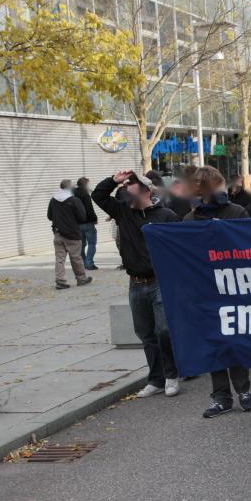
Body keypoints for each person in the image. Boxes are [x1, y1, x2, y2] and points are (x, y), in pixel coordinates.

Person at [92, 171, 181, 399]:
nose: (124, 188)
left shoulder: (167, 216)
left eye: (130, 184)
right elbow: (98, 195)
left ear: (145, 190)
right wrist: (113, 179)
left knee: (163, 331)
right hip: (136, 283)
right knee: (145, 333)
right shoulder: (123, 212)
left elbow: (180, 247)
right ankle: (156, 379)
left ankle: (172, 375)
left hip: (161, 281)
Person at [183, 166, 251, 417]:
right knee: (214, 344)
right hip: (205, 291)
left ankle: (243, 389)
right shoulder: (190, 220)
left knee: (233, 342)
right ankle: (221, 396)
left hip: (234, 289)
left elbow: (250, 248)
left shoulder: (236, 212)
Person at [47, 180, 92, 290]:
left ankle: (60, 281)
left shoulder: (53, 200)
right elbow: (82, 217)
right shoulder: (74, 200)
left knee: (60, 258)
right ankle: (81, 278)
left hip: (58, 233)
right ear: (70, 188)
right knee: (76, 257)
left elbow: (49, 216)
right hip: (72, 233)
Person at [73, 178, 99, 271]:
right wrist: (94, 219)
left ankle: (83, 263)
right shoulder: (85, 194)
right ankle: (89, 263)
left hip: (77, 223)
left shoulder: (72, 194)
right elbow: (89, 208)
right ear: (85, 184)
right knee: (92, 243)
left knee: (82, 244)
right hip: (87, 222)